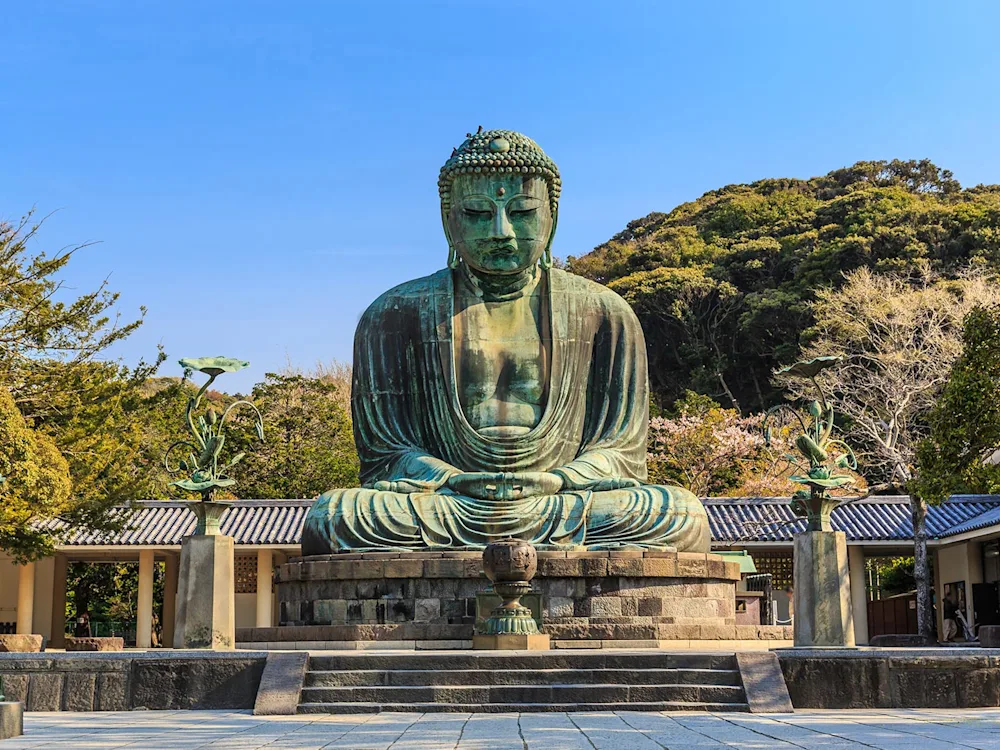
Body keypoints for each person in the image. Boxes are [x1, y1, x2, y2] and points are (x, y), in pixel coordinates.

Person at [302, 129, 710, 553]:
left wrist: (562, 479)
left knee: (679, 514)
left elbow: (620, 452)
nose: (501, 231)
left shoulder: (605, 313)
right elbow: (387, 455)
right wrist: (448, 478)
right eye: (478, 212)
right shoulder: (395, 313)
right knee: (335, 517)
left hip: (562, 500)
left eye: (521, 212)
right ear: (448, 219)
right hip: (448, 501)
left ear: (552, 217)